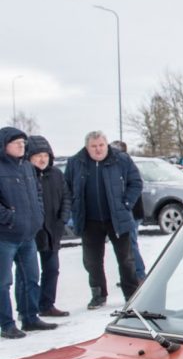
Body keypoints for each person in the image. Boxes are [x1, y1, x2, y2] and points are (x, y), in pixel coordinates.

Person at [65, 130, 143, 309]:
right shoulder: (75, 162)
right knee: (92, 261)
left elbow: (136, 182)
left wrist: (126, 203)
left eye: (101, 145)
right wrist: (73, 210)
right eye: (94, 146)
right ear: (87, 147)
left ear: (106, 144)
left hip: (117, 217)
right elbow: (66, 189)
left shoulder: (121, 159)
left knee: (126, 259)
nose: (98, 150)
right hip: (89, 219)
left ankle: (131, 295)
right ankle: (98, 295)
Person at [0, 127, 56, 338]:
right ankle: (6, 324)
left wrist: (38, 215)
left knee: (31, 278)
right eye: (17, 143)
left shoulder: (27, 167)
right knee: (3, 282)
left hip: (28, 235)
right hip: (5, 237)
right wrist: (10, 218)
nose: (22, 146)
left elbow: (38, 194)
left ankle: (30, 317)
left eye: (23, 143)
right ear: (5, 145)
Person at [13, 136, 71, 318]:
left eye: (45, 155)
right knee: (28, 274)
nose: (42, 159)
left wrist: (63, 220)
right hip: (32, 231)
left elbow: (66, 198)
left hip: (53, 229)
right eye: (37, 155)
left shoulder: (56, 174)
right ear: (29, 157)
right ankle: (27, 309)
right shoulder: (24, 175)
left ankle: (47, 304)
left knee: (52, 269)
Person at [111, 140, 146, 281]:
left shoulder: (124, 165)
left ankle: (138, 274)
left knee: (130, 244)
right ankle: (132, 274)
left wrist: (126, 205)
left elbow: (135, 187)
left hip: (132, 212)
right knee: (129, 245)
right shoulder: (119, 165)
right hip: (130, 212)